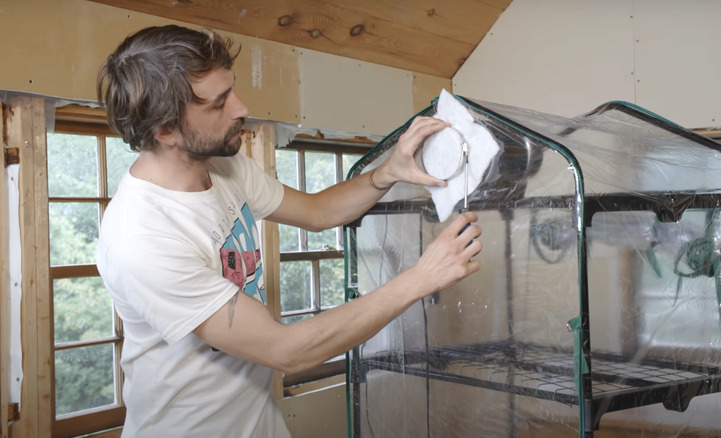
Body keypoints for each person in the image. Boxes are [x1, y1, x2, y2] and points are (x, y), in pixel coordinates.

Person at [96, 24, 481, 437]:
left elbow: (317, 211)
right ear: (165, 130)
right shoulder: (142, 240)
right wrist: (422, 278)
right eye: (219, 103)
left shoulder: (223, 164)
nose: (241, 107)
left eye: (233, 90)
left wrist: (388, 172)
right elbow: (287, 351)